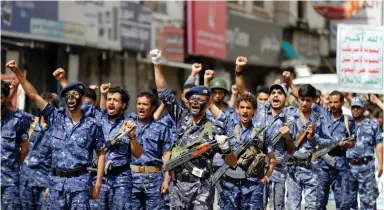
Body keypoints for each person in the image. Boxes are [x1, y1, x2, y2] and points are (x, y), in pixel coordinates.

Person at [7, 60, 106, 209]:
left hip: (80, 185)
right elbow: (33, 95)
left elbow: (101, 152)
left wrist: (98, 183)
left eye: (75, 95)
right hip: (56, 185)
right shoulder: (55, 118)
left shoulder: (92, 125)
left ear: (82, 98)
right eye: (68, 96)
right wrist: (17, 72)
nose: (71, 99)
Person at [151, 49, 228, 209]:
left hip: (202, 187)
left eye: (199, 100)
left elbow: (232, 161)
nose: (194, 102)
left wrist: (226, 149)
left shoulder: (215, 128)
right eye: (191, 99)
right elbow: (165, 94)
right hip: (178, 187)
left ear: (207, 104)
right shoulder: (181, 117)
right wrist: (157, 65)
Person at [219, 93, 276, 210]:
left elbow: (272, 159)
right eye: (242, 107)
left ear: (254, 111)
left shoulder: (261, 133)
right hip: (230, 185)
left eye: (249, 108)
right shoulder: (229, 129)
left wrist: (265, 178)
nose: (245, 111)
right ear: (237, 110)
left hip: (253, 187)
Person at [285, 84, 334, 210]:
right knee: (292, 206)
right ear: (298, 99)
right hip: (293, 168)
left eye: (308, 100)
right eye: (302, 99)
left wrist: (314, 137)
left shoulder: (320, 118)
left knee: (312, 206)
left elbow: (328, 143)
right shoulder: (289, 114)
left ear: (314, 100)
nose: (304, 103)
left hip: (312, 167)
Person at [128, 90, 172, 210]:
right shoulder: (128, 125)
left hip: (154, 179)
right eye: (139, 104)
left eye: (145, 104)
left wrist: (167, 179)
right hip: (132, 179)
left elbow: (167, 154)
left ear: (152, 108)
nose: (141, 107)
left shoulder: (161, 127)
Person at [257, 84, 296, 210]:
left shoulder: (289, 121)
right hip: (257, 171)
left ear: (285, 98)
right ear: (269, 97)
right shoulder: (260, 113)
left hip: (277, 173)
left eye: (280, 93)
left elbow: (292, 150)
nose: (275, 95)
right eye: (273, 92)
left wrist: (287, 138)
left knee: (277, 207)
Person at [315, 91, 356, 210]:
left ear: (342, 102)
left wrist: (345, 144)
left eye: (336, 102)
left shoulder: (348, 121)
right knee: (318, 204)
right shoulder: (321, 118)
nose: (332, 105)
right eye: (330, 102)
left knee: (343, 203)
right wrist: (334, 143)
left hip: (340, 167)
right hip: (322, 166)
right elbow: (314, 138)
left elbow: (353, 142)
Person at [19, 92, 59, 210]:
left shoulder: (58, 129)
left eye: (49, 107)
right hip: (26, 182)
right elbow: (11, 112)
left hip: (45, 183)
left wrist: (52, 185)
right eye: (43, 106)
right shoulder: (30, 123)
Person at [348, 96, 383, 210]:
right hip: (348, 168)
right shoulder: (345, 123)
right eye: (353, 107)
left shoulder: (373, 124)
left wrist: (380, 164)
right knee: (348, 202)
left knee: (368, 202)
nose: (355, 110)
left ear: (364, 108)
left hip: (366, 167)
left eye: (358, 107)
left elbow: (378, 144)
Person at [1, 80, 29, 210]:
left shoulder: (17, 120)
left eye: (0, 98)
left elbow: (24, 149)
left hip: (9, 182)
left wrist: (13, 165)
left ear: (6, 98)